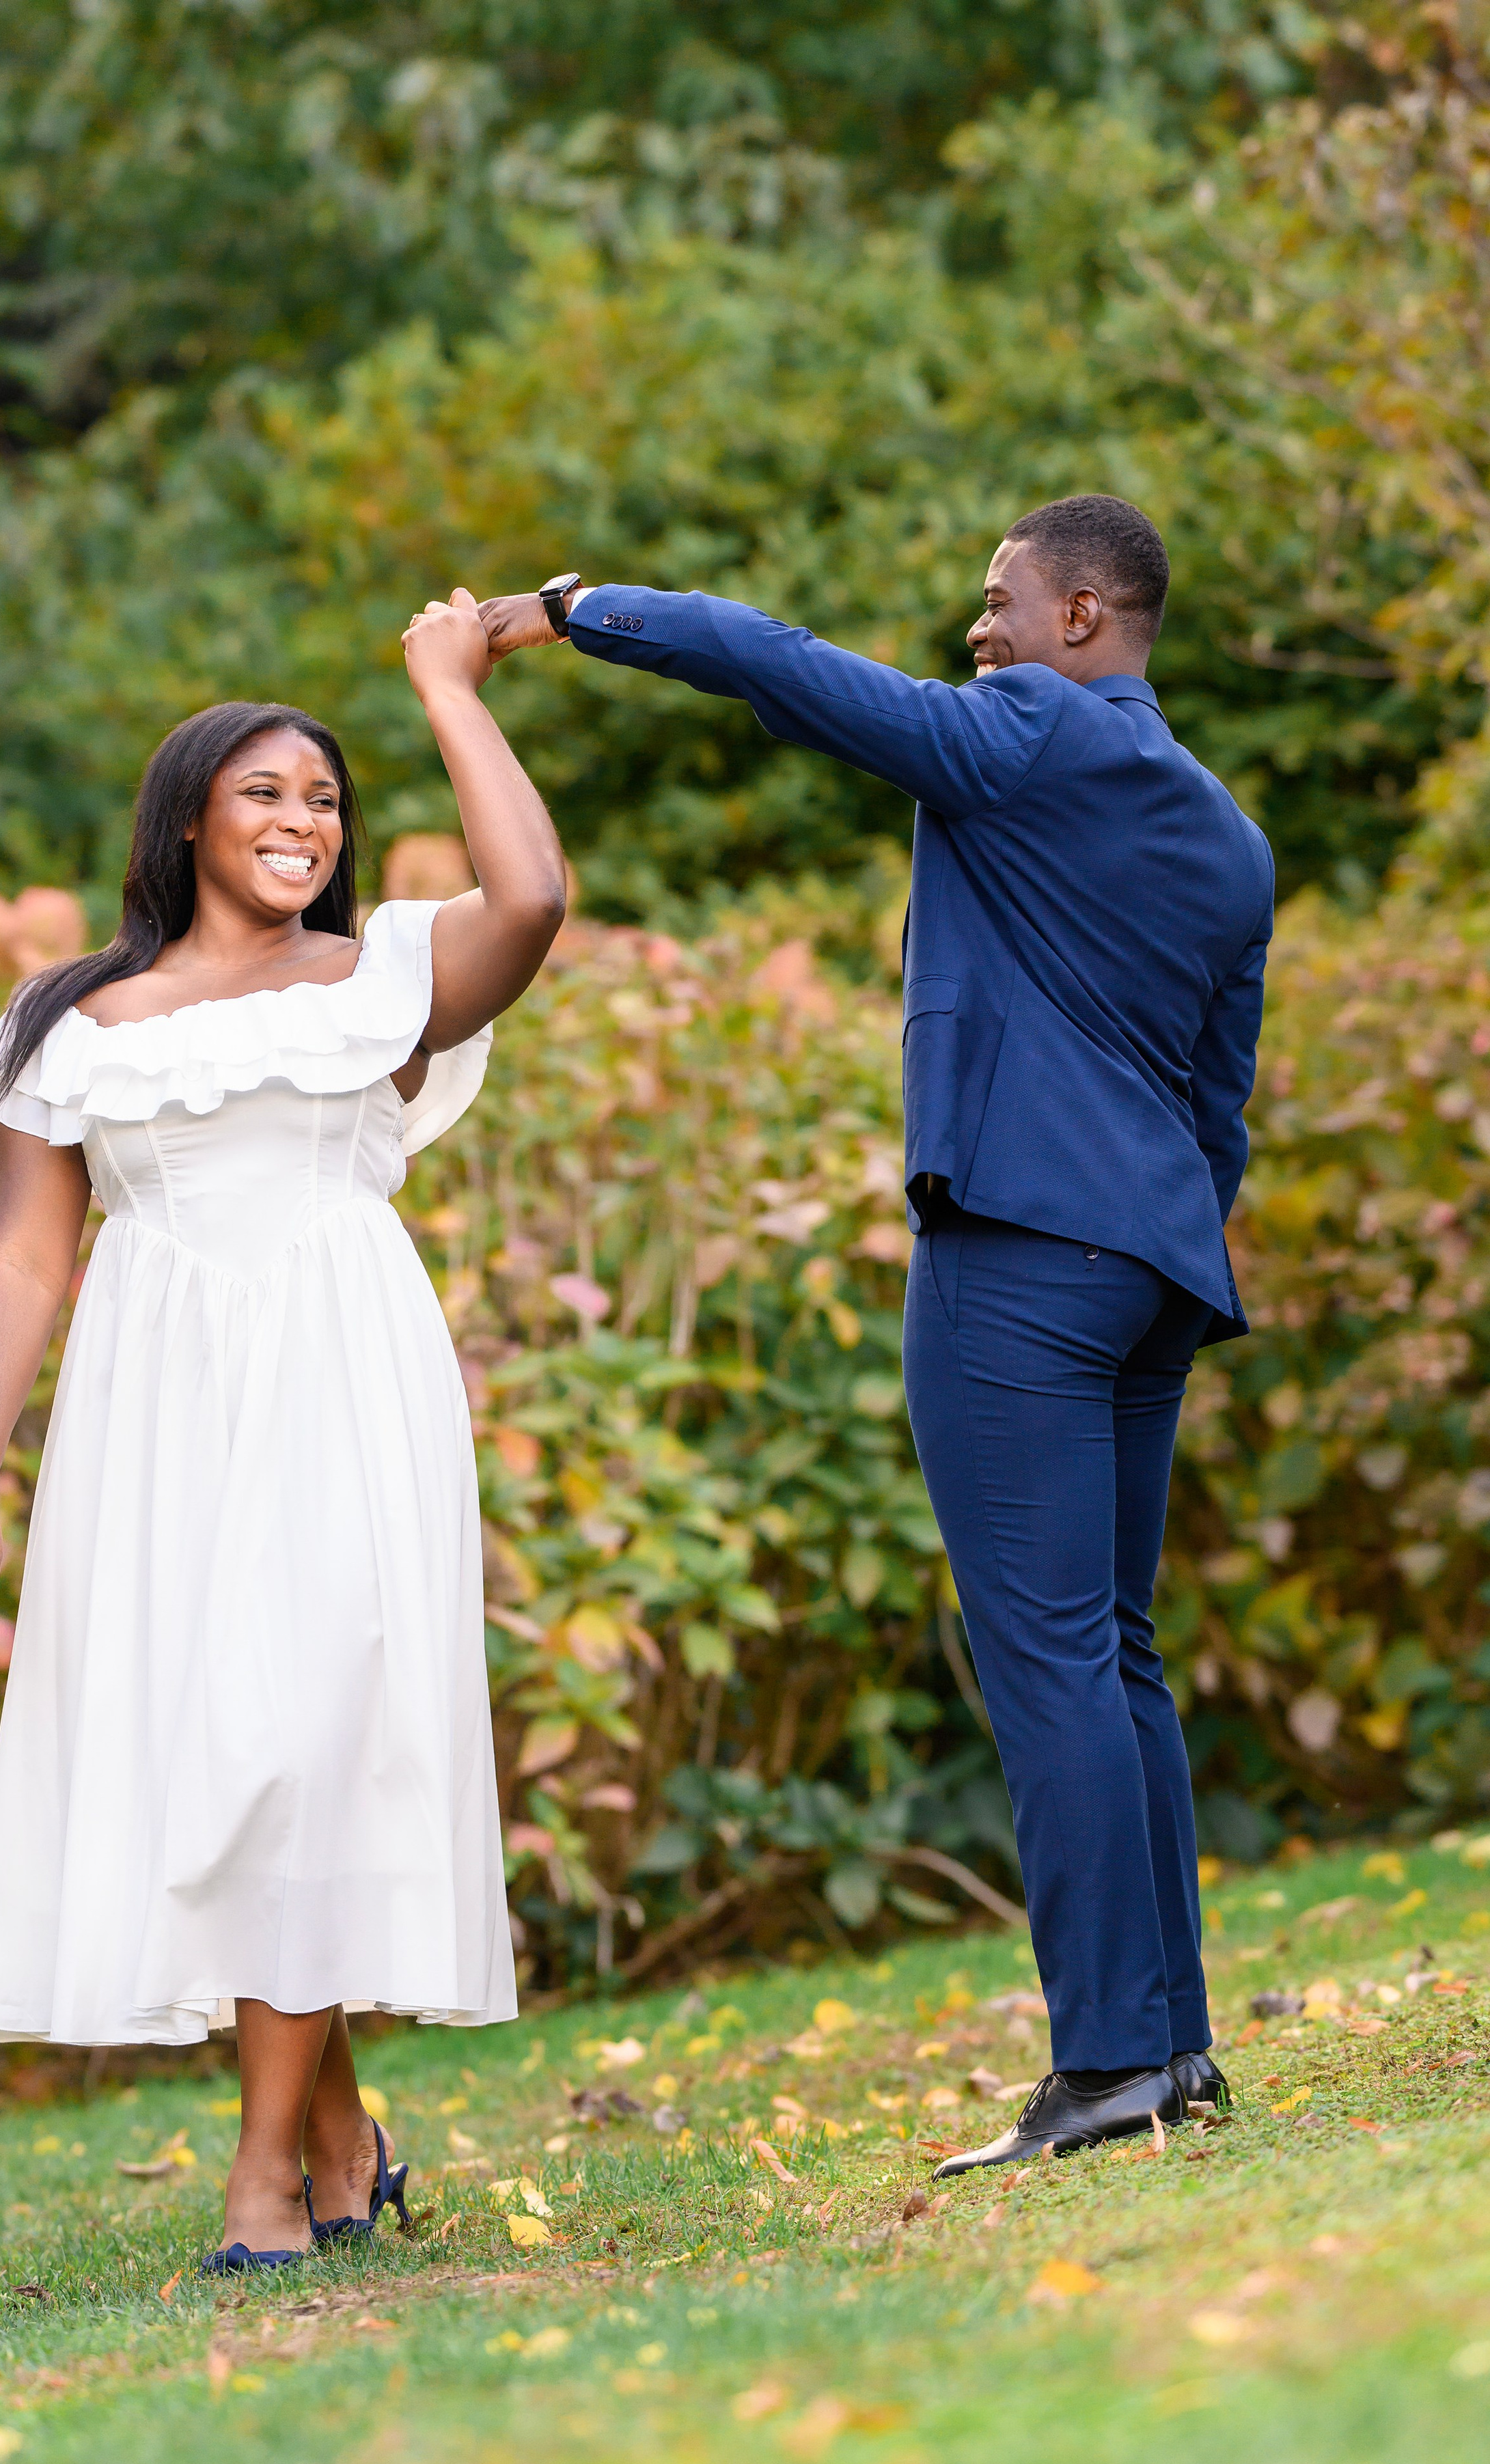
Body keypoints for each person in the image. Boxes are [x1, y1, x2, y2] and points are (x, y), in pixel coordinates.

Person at [478, 500, 1273, 2171]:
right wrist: (1161, 1253)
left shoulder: (1022, 736)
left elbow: (784, 670)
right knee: (1114, 1654)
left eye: (995, 603)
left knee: (1045, 1655)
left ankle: (1108, 2062)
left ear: (1079, 617)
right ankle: (1171, 2048)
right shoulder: (1220, 830)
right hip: (1145, 1265)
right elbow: (1218, 1103)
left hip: (1017, 1256)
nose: (971, 630)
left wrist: (573, 608)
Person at [0, 590, 564, 2262]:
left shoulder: (381, 976)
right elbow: (22, 1252)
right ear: (189, 817)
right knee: (214, 1757)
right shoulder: (68, 1022)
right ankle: (343, 2138)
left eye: (324, 799)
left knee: (297, 1739)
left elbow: (538, 892)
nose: (302, 822)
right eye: (267, 793)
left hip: (345, 1373)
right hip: (155, 1401)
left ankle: (267, 2176)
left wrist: (442, 686)